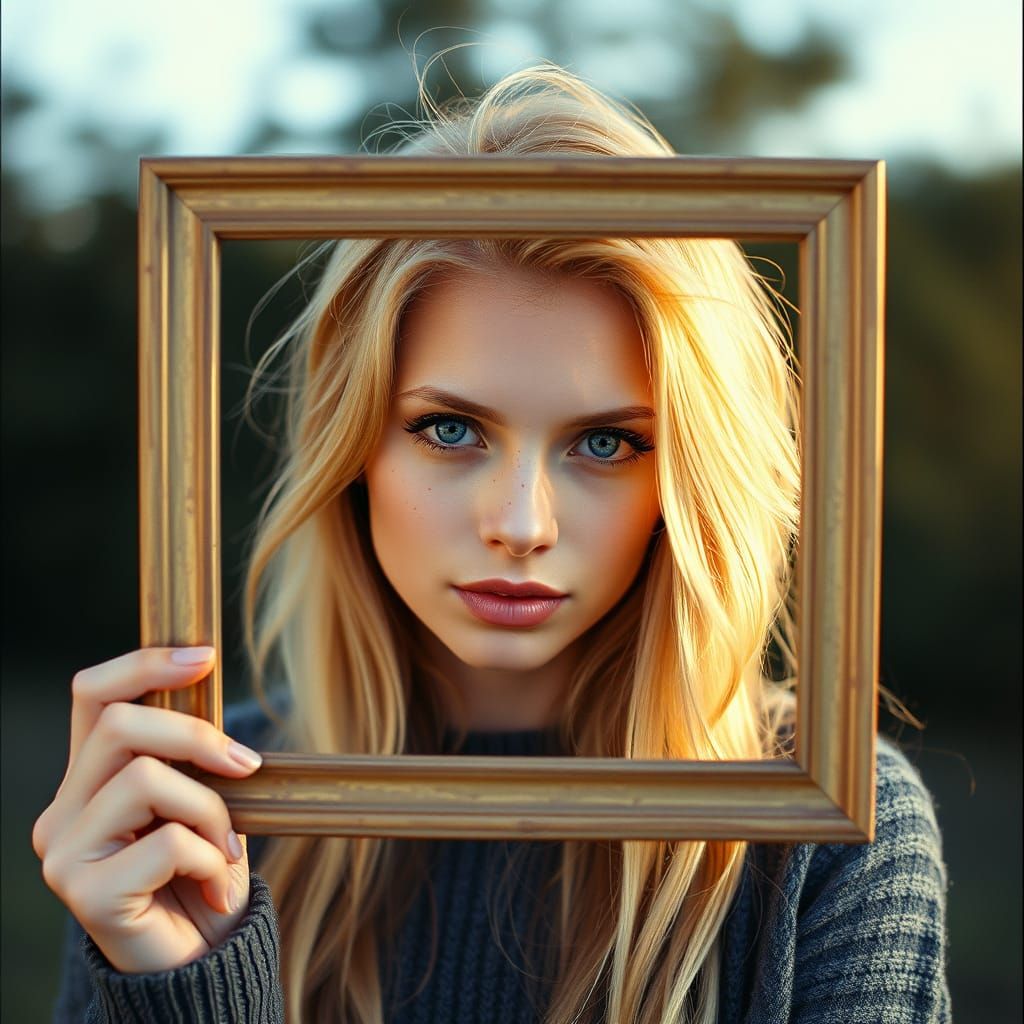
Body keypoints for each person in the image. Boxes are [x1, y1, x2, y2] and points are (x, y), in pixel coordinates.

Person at [35, 63, 950, 1023]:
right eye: (449, 430)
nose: (520, 525)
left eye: (607, 443)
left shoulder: (826, 836)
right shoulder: (188, 810)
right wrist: (180, 984)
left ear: (687, 479)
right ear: (352, 449)